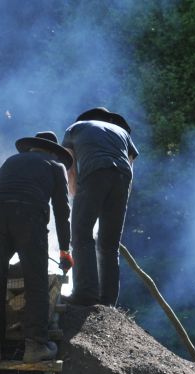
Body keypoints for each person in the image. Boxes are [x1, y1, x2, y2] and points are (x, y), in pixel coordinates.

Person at [0, 131, 72, 363]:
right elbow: (62, 211)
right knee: (36, 280)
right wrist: (65, 250)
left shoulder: (10, 161)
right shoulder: (55, 166)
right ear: (52, 151)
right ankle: (36, 346)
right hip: (29, 216)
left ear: (32, 148)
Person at [61, 106, 139, 307]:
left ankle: (85, 294)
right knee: (109, 243)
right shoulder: (122, 133)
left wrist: (75, 196)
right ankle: (108, 301)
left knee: (81, 233)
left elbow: (70, 166)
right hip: (122, 180)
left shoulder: (75, 127)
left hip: (94, 172)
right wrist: (121, 198)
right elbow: (130, 166)